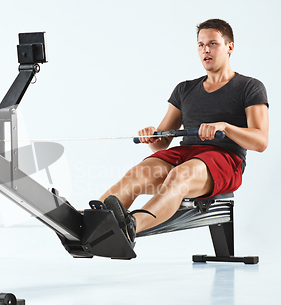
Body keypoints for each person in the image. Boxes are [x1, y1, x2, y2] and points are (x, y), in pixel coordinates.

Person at [95, 19, 269, 244]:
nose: (205, 49)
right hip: (184, 154)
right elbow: (161, 143)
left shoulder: (249, 87)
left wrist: (224, 127)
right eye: (200, 44)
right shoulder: (184, 89)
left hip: (225, 160)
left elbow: (260, 141)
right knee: (136, 174)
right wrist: (152, 134)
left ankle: (130, 227)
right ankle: (90, 224)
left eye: (213, 43)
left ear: (230, 47)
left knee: (181, 175)